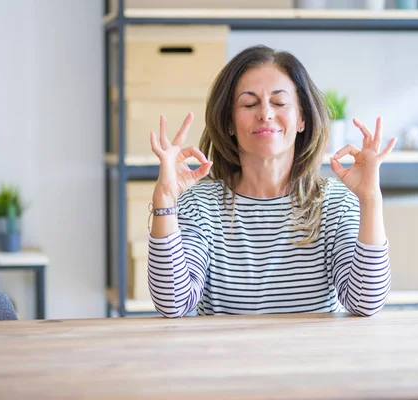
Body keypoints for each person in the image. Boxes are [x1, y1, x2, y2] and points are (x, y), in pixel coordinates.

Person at [147, 45, 396, 318]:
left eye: (279, 103)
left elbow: (365, 302)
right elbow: (173, 304)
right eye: (249, 104)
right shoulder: (199, 204)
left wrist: (370, 199)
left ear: (301, 118)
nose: (265, 113)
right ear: (229, 122)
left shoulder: (335, 203)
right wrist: (165, 201)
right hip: (224, 359)